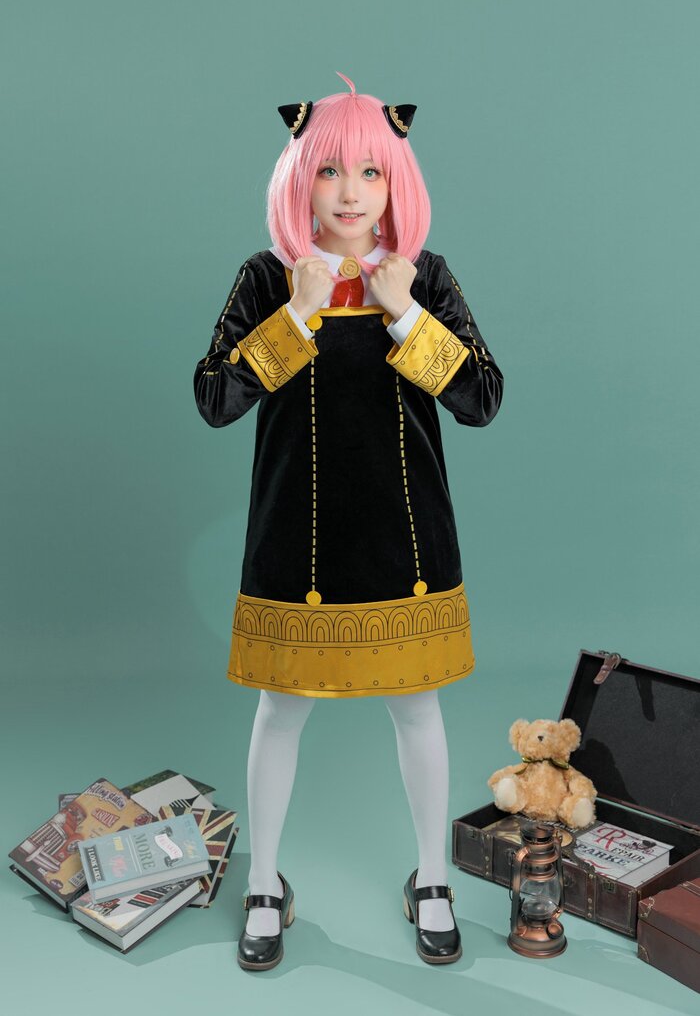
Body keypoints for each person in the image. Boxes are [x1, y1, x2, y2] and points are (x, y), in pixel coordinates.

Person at [193, 72, 504, 971]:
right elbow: (215, 399)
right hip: (294, 545)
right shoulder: (267, 278)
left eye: (371, 171)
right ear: (301, 179)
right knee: (279, 711)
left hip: (408, 543)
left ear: (396, 181)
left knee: (418, 708)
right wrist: (296, 312)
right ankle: (265, 884)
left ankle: (432, 878)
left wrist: (404, 310)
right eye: (330, 171)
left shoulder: (425, 277)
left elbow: (482, 399)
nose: (351, 192)